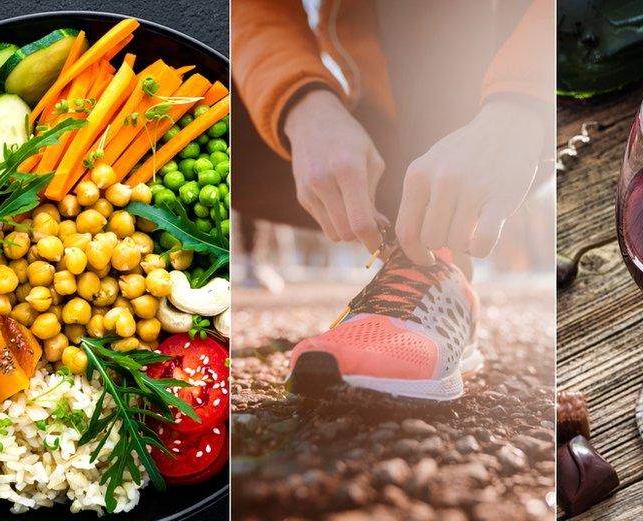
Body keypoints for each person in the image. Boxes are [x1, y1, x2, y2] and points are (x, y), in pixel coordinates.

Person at [232, 0, 553, 400]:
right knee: (197, 75)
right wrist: (300, 103)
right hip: (369, 125)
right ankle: (411, 258)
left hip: (510, 118)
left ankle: (440, 266)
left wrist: (523, 100)